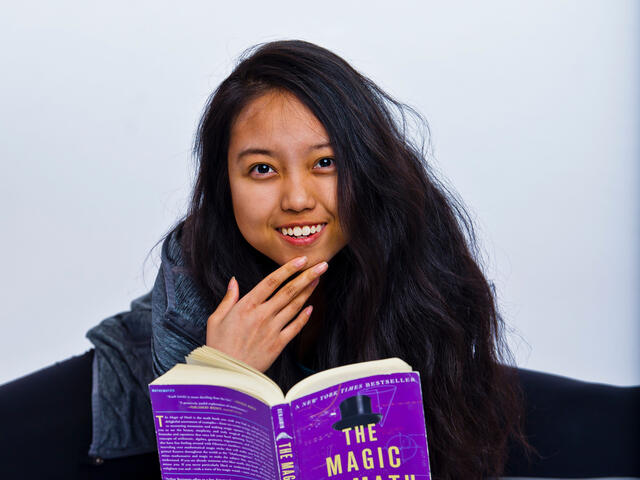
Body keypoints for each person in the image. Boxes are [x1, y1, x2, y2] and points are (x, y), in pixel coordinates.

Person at [0, 40, 638, 480]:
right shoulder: (194, 268)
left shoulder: (412, 239)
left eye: (325, 162)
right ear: (225, 185)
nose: (297, 198)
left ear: (365, 164)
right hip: (139, 418)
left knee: (600, 422)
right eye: (261, 169)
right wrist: (222, 376)